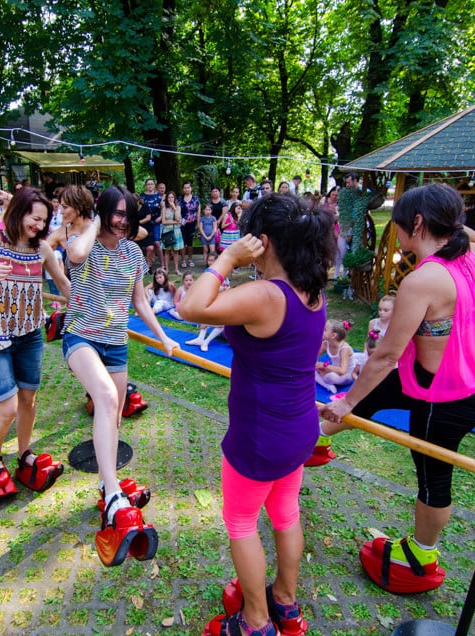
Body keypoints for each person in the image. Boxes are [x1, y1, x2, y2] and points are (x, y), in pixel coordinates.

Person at [320, 183, 475, 595]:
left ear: (416, 224)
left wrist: (346, 398)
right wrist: (452, 224)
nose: (395, 232)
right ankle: (317, 435)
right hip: (453, 380)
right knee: (378, 394)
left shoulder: (424, 280)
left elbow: (384, 355)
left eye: (398, 224)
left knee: (432, 477)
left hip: (447, 397)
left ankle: (422, 553)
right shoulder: (470, 256)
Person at [179, 193, 332, 636]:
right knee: (285, 513)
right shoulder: (311, 291)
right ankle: (284, 602)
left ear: (262, 241)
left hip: (260, 437)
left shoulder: (266, 295)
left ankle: (256, 622)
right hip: (299, 430)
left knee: (242, 522)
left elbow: (191, 307)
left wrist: (227, 255)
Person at [61, 185, 178, 567]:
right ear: (103, 211)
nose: (124, 220)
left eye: (130, 214)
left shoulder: (132, 252)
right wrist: (96, 219)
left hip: (115, 343)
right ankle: (111, 492)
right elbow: (75, 253)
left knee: (114, 411)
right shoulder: (84, 243)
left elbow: (140, 301)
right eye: (117, 212)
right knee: (107, 400)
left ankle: (105, 482)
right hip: (81, 337)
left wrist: (164, 338)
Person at [0, 187, 71, 502]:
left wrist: (87, 307)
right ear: (18, 211)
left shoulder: (43, 249)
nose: (39, 226)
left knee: (28, 401)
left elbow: (61, 282)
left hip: (30, 333)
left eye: (44, 221)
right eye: (35, 218)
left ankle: (23, 454)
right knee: (6, 408)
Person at [316, 319, 355, 393]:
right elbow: (313, 356)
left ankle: (326, 384)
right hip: (334, 370)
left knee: (330, 377)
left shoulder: (344, 349)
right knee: (310, 367)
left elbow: (342, 371)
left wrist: (325, 367)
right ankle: (327, 384)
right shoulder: (326, 344)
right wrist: (317, 365)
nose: (322, 330)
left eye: (325, 329)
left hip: (347, 376)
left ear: (333, 335)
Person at [140, 179, 163, 268]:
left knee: (156, 243)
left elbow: (163, 208)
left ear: (154, 185)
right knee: (147, 245)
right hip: (145, 223)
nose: (150, 186)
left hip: (156, 222)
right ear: (146, 186)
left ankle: (162, 264)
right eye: (148, 184)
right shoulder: (142, 196)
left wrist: (160, 217)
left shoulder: (158, 196)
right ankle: (148, 264)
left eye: (151, 184)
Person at [161, 191, 184, 275]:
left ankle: (176, 269)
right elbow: (163, 221)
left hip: (176, 231)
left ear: (174, 198)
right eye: (169, 197)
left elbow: (178, 219)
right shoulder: (164, 208)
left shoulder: (178, 207)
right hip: (167, 231)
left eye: (172, 197)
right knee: (167, 251)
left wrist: (174, 208)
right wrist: (175, 222)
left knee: (175, 251)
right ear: (167, 199)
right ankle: (167, 270)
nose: (170, 199)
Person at [179, 181, 200, 268]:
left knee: (190, 241)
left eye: (188, 187)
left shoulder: (195, 199)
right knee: (183, 242)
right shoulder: (180, 199)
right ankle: (183, 260)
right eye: (185, 188)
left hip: (192, 223)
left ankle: (190, 259)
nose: (187, 189)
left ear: (191, 188)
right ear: (183, 189)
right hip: (182, 224)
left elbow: (198, 211)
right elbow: (177, 211)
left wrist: (198, 223)